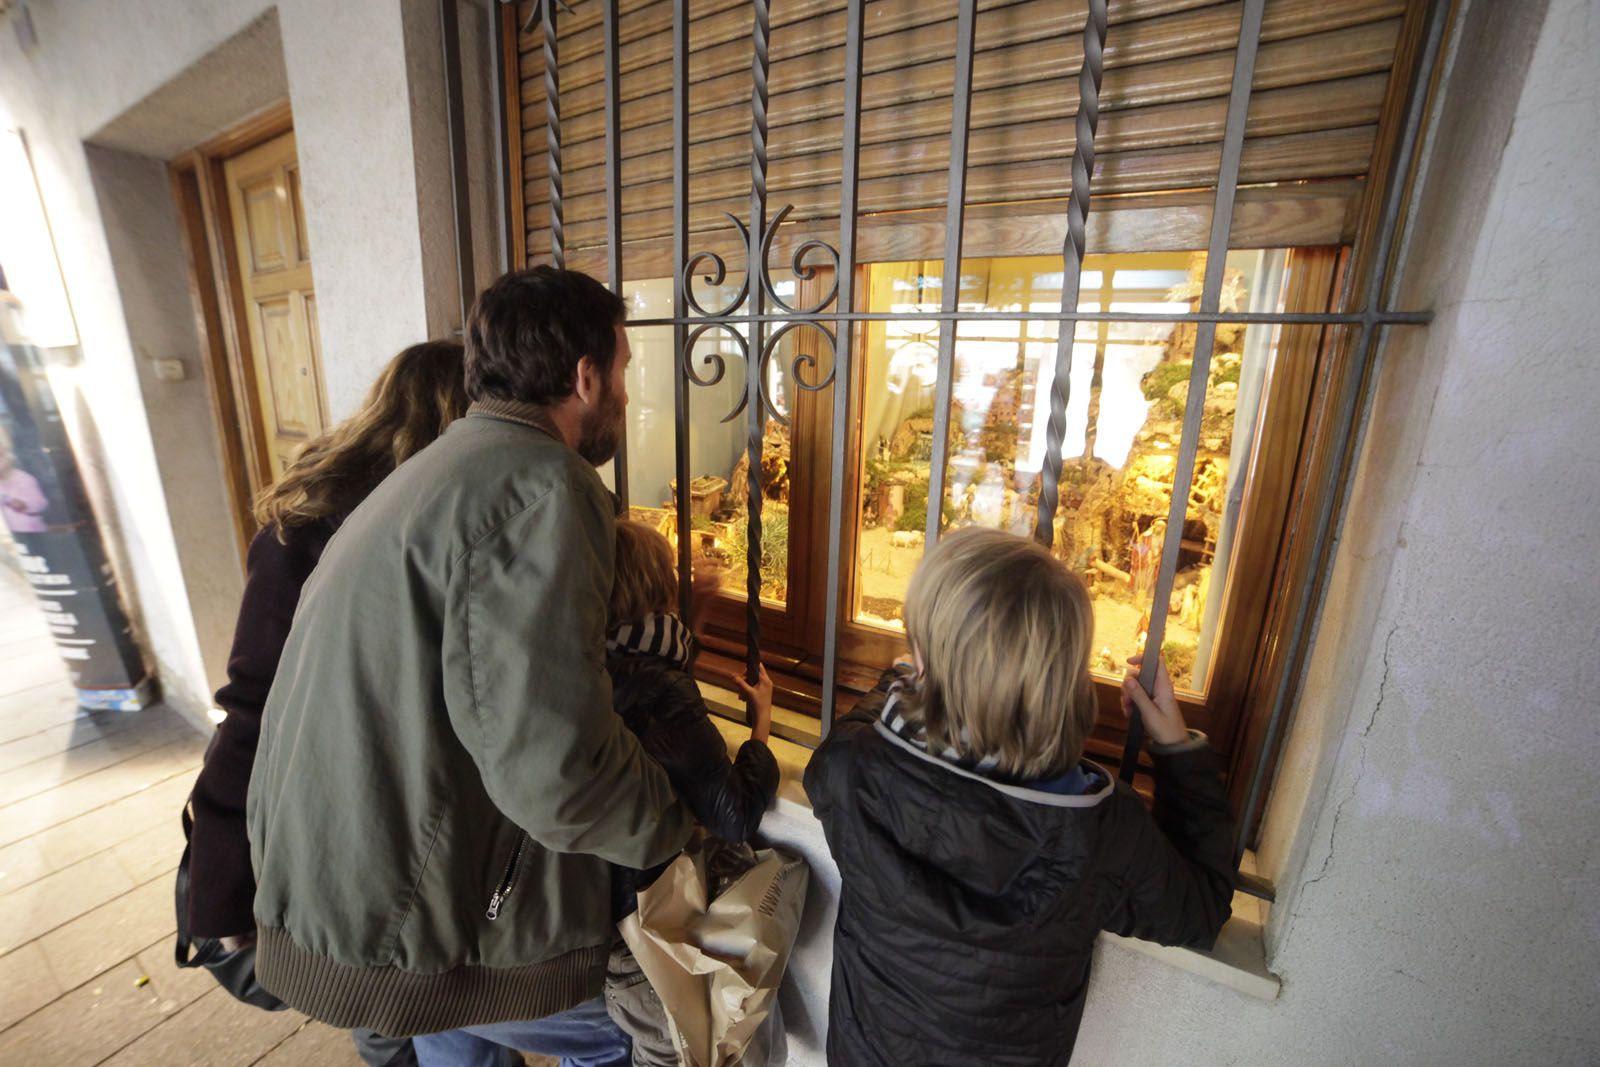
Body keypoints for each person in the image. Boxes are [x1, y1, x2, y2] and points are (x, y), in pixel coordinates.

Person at [247, 267, 693, 1066]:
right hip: (408, 915)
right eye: (624, 370)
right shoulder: (542, 483)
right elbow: (555, 766)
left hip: (351, 890)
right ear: (586, 375)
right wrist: (672, 818)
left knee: (456, 1032)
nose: (627, 394)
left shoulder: (438, 469)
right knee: (635, 1028)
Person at [804, 526, 1235, 1067]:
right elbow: (1201, 911)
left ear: (926, 663)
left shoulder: (851, 772)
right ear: (1064, 679)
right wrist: (1175, 749)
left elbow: (852, 736)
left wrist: (906, 684)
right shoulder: (1103, 831)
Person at [183, 339, 469, 1066]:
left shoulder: (405, 523)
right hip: (344, 813)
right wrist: (223, 884)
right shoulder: (316, 536)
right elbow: (253, 708)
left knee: (402, 994)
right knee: (384, 998)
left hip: (394, 820)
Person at [599, 520, 779, 1066]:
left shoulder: (590, 662)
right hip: (651, 930)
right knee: (670, 1055)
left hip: (602, 911)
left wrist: (692, 617)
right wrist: (762, 723)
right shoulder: (663, 688)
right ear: (657, 588)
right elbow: (736, 814)